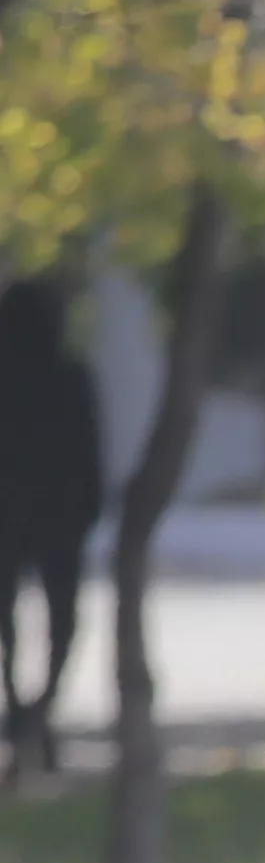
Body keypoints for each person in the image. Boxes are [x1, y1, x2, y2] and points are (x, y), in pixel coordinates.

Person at [0, 277, 101, 777]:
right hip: (58, 517)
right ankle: (38, 711)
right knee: (61, 621)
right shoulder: (71, 376)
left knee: (14, 625)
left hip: (17, 515)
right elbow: (89, 454)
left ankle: (26, 711)